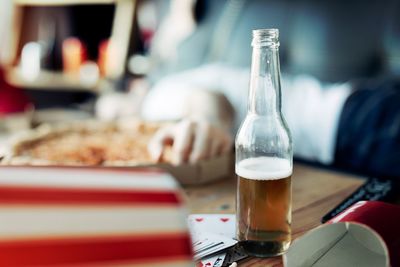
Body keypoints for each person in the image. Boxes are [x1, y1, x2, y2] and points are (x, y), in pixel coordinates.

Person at [99, 0, 400, 178]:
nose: (117, 114)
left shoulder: (158, 98)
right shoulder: (165, 100)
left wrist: (209, 123)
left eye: (114, 111)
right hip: (348, 129)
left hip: (355, 120)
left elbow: (208, 101)